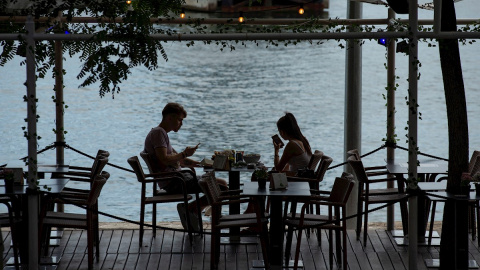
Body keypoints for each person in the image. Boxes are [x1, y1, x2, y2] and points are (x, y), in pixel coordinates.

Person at [143, 102, 227, 231]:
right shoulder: (158, 133)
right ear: (169, 118)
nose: (181, 124)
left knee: (222, 182)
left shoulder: (161, 134)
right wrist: (184, 153)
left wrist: (198, 163)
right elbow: (164, 159)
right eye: (179, 120)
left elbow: (178, 159)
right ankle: (194, 209)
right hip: (175, 181)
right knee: (220, 188)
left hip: (177, 178)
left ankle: (193, 208)